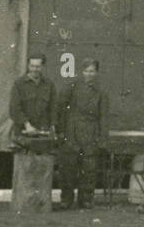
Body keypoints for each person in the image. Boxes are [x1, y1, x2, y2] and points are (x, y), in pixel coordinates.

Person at [57, 58, 109, 209]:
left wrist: (103, 138)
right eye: (86, 71)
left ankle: (86, 199)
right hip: (72, 133)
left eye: (92, 71)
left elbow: (103, 117)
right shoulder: (72, 88)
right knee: (68, 168)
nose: (89, 74)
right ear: (82, 71)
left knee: (89, 168)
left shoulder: (101, 93)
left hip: (90, 134)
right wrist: (61, 131)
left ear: (97, 73)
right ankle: (66, 199)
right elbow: (61, 109)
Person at [8, 53, 58, 212]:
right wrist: (26, 125)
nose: (35, 69)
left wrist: (52, 127)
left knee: (42, 169)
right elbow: (14, 109)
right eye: (32, 66)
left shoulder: (49, 85)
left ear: (42, 67)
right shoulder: (19, 84)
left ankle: (41, 205)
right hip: (24, 134)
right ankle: (22, 204)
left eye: (38, 66)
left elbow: (53, 108)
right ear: (28, 66)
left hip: (42, 135)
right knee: (25, 169)